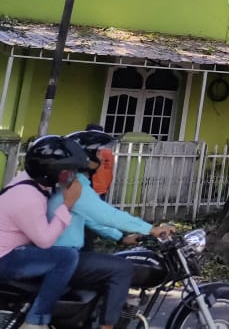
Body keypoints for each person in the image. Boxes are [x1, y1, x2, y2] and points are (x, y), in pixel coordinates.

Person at [52, 131, 175, 329]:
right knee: (122, 268)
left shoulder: (74, 183)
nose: (103, 157)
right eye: (99, 152)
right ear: (86, 156)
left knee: (107, 269)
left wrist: (120, 238)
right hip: (64, 256)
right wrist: (150, 229)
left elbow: (90, 219)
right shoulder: (76, 186)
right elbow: (107, 215)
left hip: (63, 254)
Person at [0, 135, 89, 329]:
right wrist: (68, 204)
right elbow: (44, 241)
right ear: (51, 171)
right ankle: (36, 320)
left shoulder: (27, 180)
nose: (71, 177)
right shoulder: (29, 197)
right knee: (66, 257)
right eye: (67, 171)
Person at [85, 123, 116, 200]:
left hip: (90, 188)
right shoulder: (108, 152)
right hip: (102, 188)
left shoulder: (89, 150)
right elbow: (109, 172)